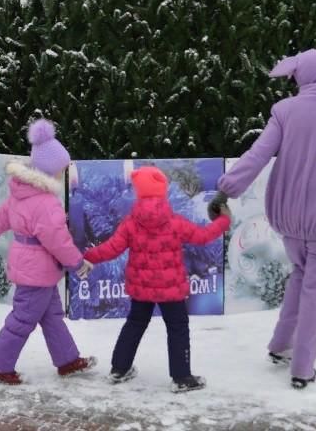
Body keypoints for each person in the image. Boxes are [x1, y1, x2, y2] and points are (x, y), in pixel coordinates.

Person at [211, 49, 316, 389]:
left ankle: (280, 345)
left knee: (300, 278)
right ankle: (303, 367)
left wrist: (227, 189)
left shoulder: (285, 112)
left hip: (290, 219)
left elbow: (257, 154)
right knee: (315, 290)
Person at [84, 166, 231, 393]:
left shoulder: (131, 223)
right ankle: (181, 377)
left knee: (134, 324)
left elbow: (111, 249)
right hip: (170, 289)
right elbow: (202, 237)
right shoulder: (174, 221)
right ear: (162, 191)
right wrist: (222, 222)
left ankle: (119, 369)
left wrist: (87, 257)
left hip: (141, 288)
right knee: (177, 328)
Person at [0, 119, 96, 385]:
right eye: (60, 170)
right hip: (37, 270)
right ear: (49, 170)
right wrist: (76, 262)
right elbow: (58, 241)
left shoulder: (21, 193)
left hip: (32, 267)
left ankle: (67, 360)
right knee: (22, 319)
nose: (61, 174)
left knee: (52, 316)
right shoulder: (46, 203)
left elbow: (1, 217)